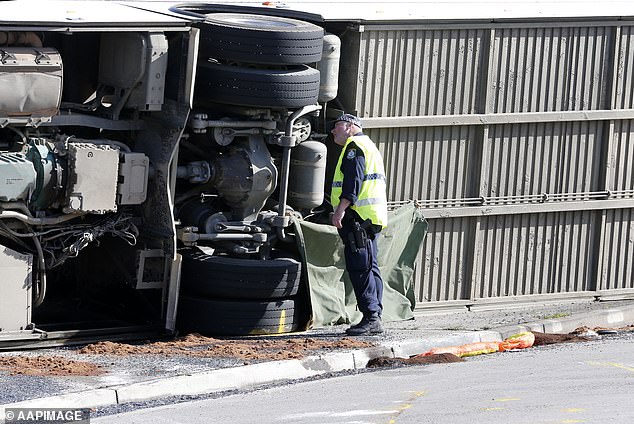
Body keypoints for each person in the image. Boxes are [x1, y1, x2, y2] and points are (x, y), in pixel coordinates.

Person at [330, 113, 388, 336]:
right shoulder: (369, 145)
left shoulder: (354, 146)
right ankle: (375, 316)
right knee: (370, 267)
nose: (333, 131)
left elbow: (352, 182)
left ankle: (371, 317)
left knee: (360, 267)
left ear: (350, 126)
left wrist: (340, 210)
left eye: (337, 126)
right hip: (371, 218)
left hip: (357, 218)